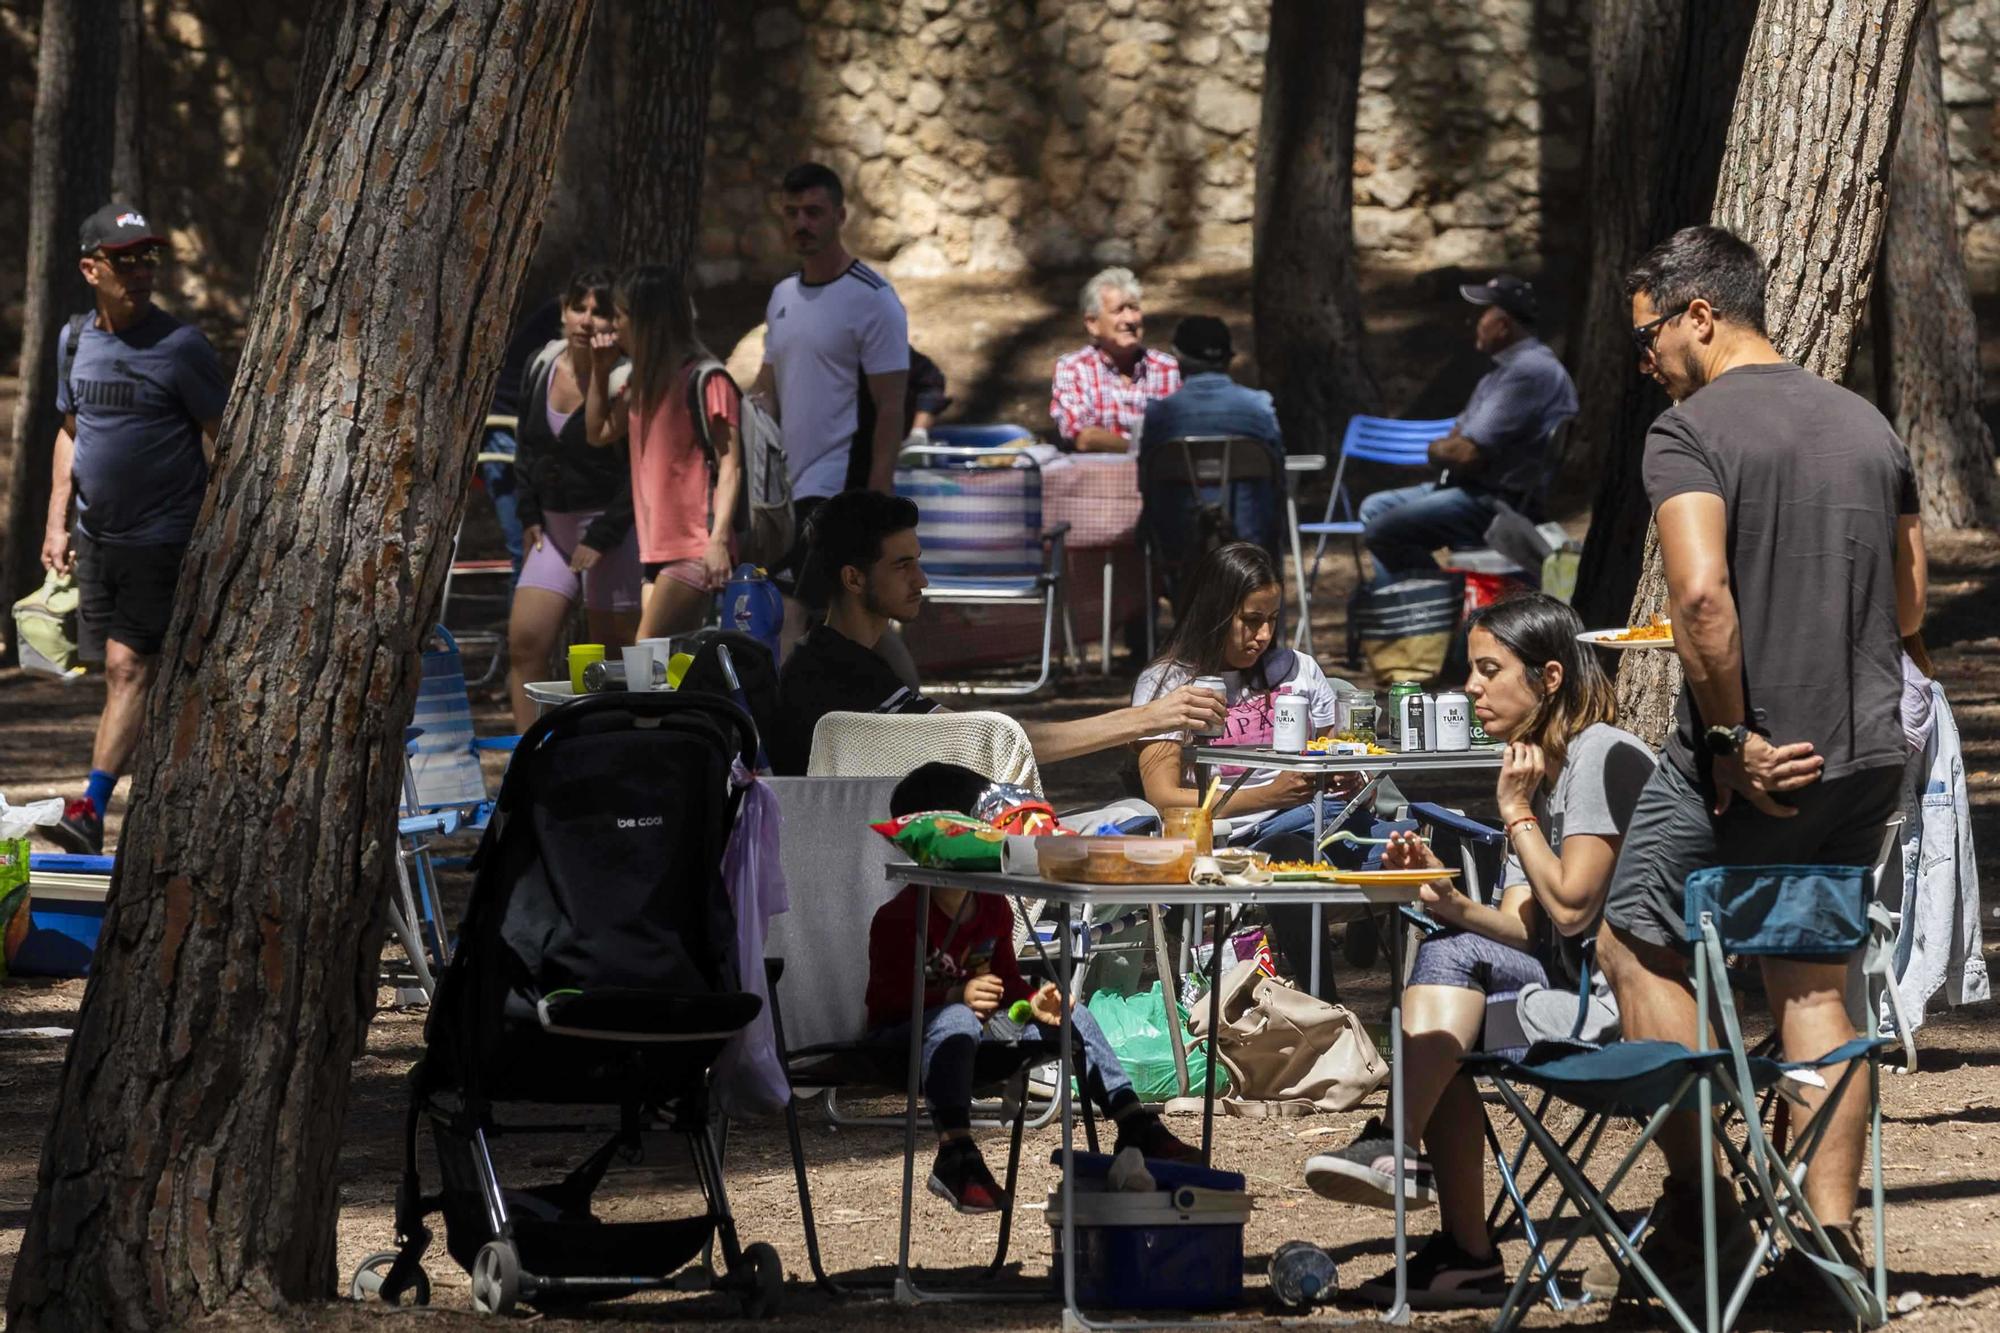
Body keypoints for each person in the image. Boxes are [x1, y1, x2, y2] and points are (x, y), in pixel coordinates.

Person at [1586, 224, 1927, 1304]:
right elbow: (1911, 601)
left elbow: (1695, 597)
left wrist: (1729, 737)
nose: (1644, 364)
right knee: (1811, 980)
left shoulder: (1687, 433)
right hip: (1867, 751)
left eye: (1646, 340)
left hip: (1754, 756)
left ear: (1698, 314)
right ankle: (1826, 1256)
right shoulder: (1865, 424)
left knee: (1633, 940)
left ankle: (1703, 1221)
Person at [1301, 595, 1653, 1310]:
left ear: (1549, 676)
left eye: (1490, 670)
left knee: (1445, 1002)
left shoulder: (1597, 756)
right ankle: (1462, 1248)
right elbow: (1526, 929)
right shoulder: (1540, 767)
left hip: (1635, 1003)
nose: (1470, 687)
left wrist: (1516, 814)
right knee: (1443, 1012)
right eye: (1472, 670)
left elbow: (1574, 904)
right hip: (1570, 982)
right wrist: (1446, 896)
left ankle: (1399, 1153)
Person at [866, 761, 1196, 1213]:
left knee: (1068, 1012)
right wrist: (951, 998)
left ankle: (1134, 1124)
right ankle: (955, 1154)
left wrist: (1035, 1001)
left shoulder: (992, 907)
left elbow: (1008, 989)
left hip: (985, 1037)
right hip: (903, 1045)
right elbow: (883, 1007)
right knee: (958, 1017)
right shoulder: (901, 919)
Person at [770, 489, 1228, 777]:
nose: (922, 580)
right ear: (853, 579)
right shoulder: (842, 677)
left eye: (919, 561)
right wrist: (1151, 717)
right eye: (903, 565)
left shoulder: (833, 659)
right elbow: (991, 741)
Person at [39, 204, 227, 855]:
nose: (141, 271)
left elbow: (225, 441)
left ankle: (90, 806)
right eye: (126, 260)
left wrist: (215, 530)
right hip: (97, 539)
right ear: (91, 267)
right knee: (126, 672)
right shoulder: (74, 341)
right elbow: (71, 433)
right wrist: (56, 520)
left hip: (163, 538)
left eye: (149, 257)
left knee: (126, 668)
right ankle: (170, 799)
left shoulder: (181, 348)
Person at [1128, 542, 1370, 991]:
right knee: (1285, 849)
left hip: (1323, 821)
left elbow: (1333, 753)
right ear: (1216, 612)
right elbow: (1162, 797)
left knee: (1448, 837)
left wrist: (1350, 776)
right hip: (1232, 839)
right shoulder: (1169, 684)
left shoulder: (1298, 669)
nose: (1262, 636)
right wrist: (1267, 796)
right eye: (1251, 621)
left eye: (1272, 620)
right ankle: (1325, 1002)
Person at [751, 162, 909, 647]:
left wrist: (876, 495)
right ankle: (914, 710)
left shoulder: (873, 299)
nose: (802, 223)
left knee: (792, 612)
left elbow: (890, 404)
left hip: (839, 487)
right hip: (786, 492)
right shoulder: (782, 295)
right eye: (793, 212)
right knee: (855, 620)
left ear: (840, 215)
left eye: (814, 212)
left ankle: (781, 724)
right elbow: (767, 388)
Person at [1358, 274, 1576, 587]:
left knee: (1383, 531)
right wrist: (1449, 447)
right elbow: (1459, 433)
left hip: (1495, 502)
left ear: (1503, 325)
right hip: (1472, 490)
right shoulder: (1503, 371)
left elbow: (1465, 453)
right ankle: (1420, 609)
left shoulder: (1528, 372)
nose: (1472, 321)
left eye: (1480, 314)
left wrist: (1438, 450)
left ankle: (1439, 608)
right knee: (1374, 507)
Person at [500, 267, 643, 730]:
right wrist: (528, 513)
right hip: (553, 534)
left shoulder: (626, 379)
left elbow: (639, 472)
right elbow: (527, 445)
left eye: (600, 313)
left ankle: (612, 753)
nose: (586, 321)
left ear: (617, 322)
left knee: (610, 660)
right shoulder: (544, 363)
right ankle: (528, 763)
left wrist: (602, 536)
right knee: (525, 643)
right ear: (563, 312)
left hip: (610, 533)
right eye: (577, 308)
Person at [582, 265, 741, 644]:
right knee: (665, 670)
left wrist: (718, 541)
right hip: (656, 548)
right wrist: (600, 373)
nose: (612, 326)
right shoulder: (641, 384)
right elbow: (598, 432)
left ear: (645, 320)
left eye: (619, 315)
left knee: (646, 650)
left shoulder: (706, 378)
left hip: (696, 547)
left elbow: (731, 465)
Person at [1138, 316, 1285, 584]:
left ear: (1178, 359)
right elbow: (1278, 477)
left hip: (1179, 542)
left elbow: (1145, 482)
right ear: (1228, 359)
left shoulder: (1160, 415)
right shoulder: (1258, 407)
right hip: (1249, 535)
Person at [1049, 266, 1181, 453]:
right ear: (1092, 324)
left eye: (1134, 308)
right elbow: (1081, 436)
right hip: (1096, 478)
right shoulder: (1073, 368)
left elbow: (1184, 431)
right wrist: (1143, 450)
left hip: (1158, 478)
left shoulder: (1168, 368)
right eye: (1118, 310)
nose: (1130, 319)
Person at [481, 295, 562, 578]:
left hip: (524, 438)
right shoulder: (558, 332)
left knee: (533, 555)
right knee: (528, 554)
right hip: (509, 434)